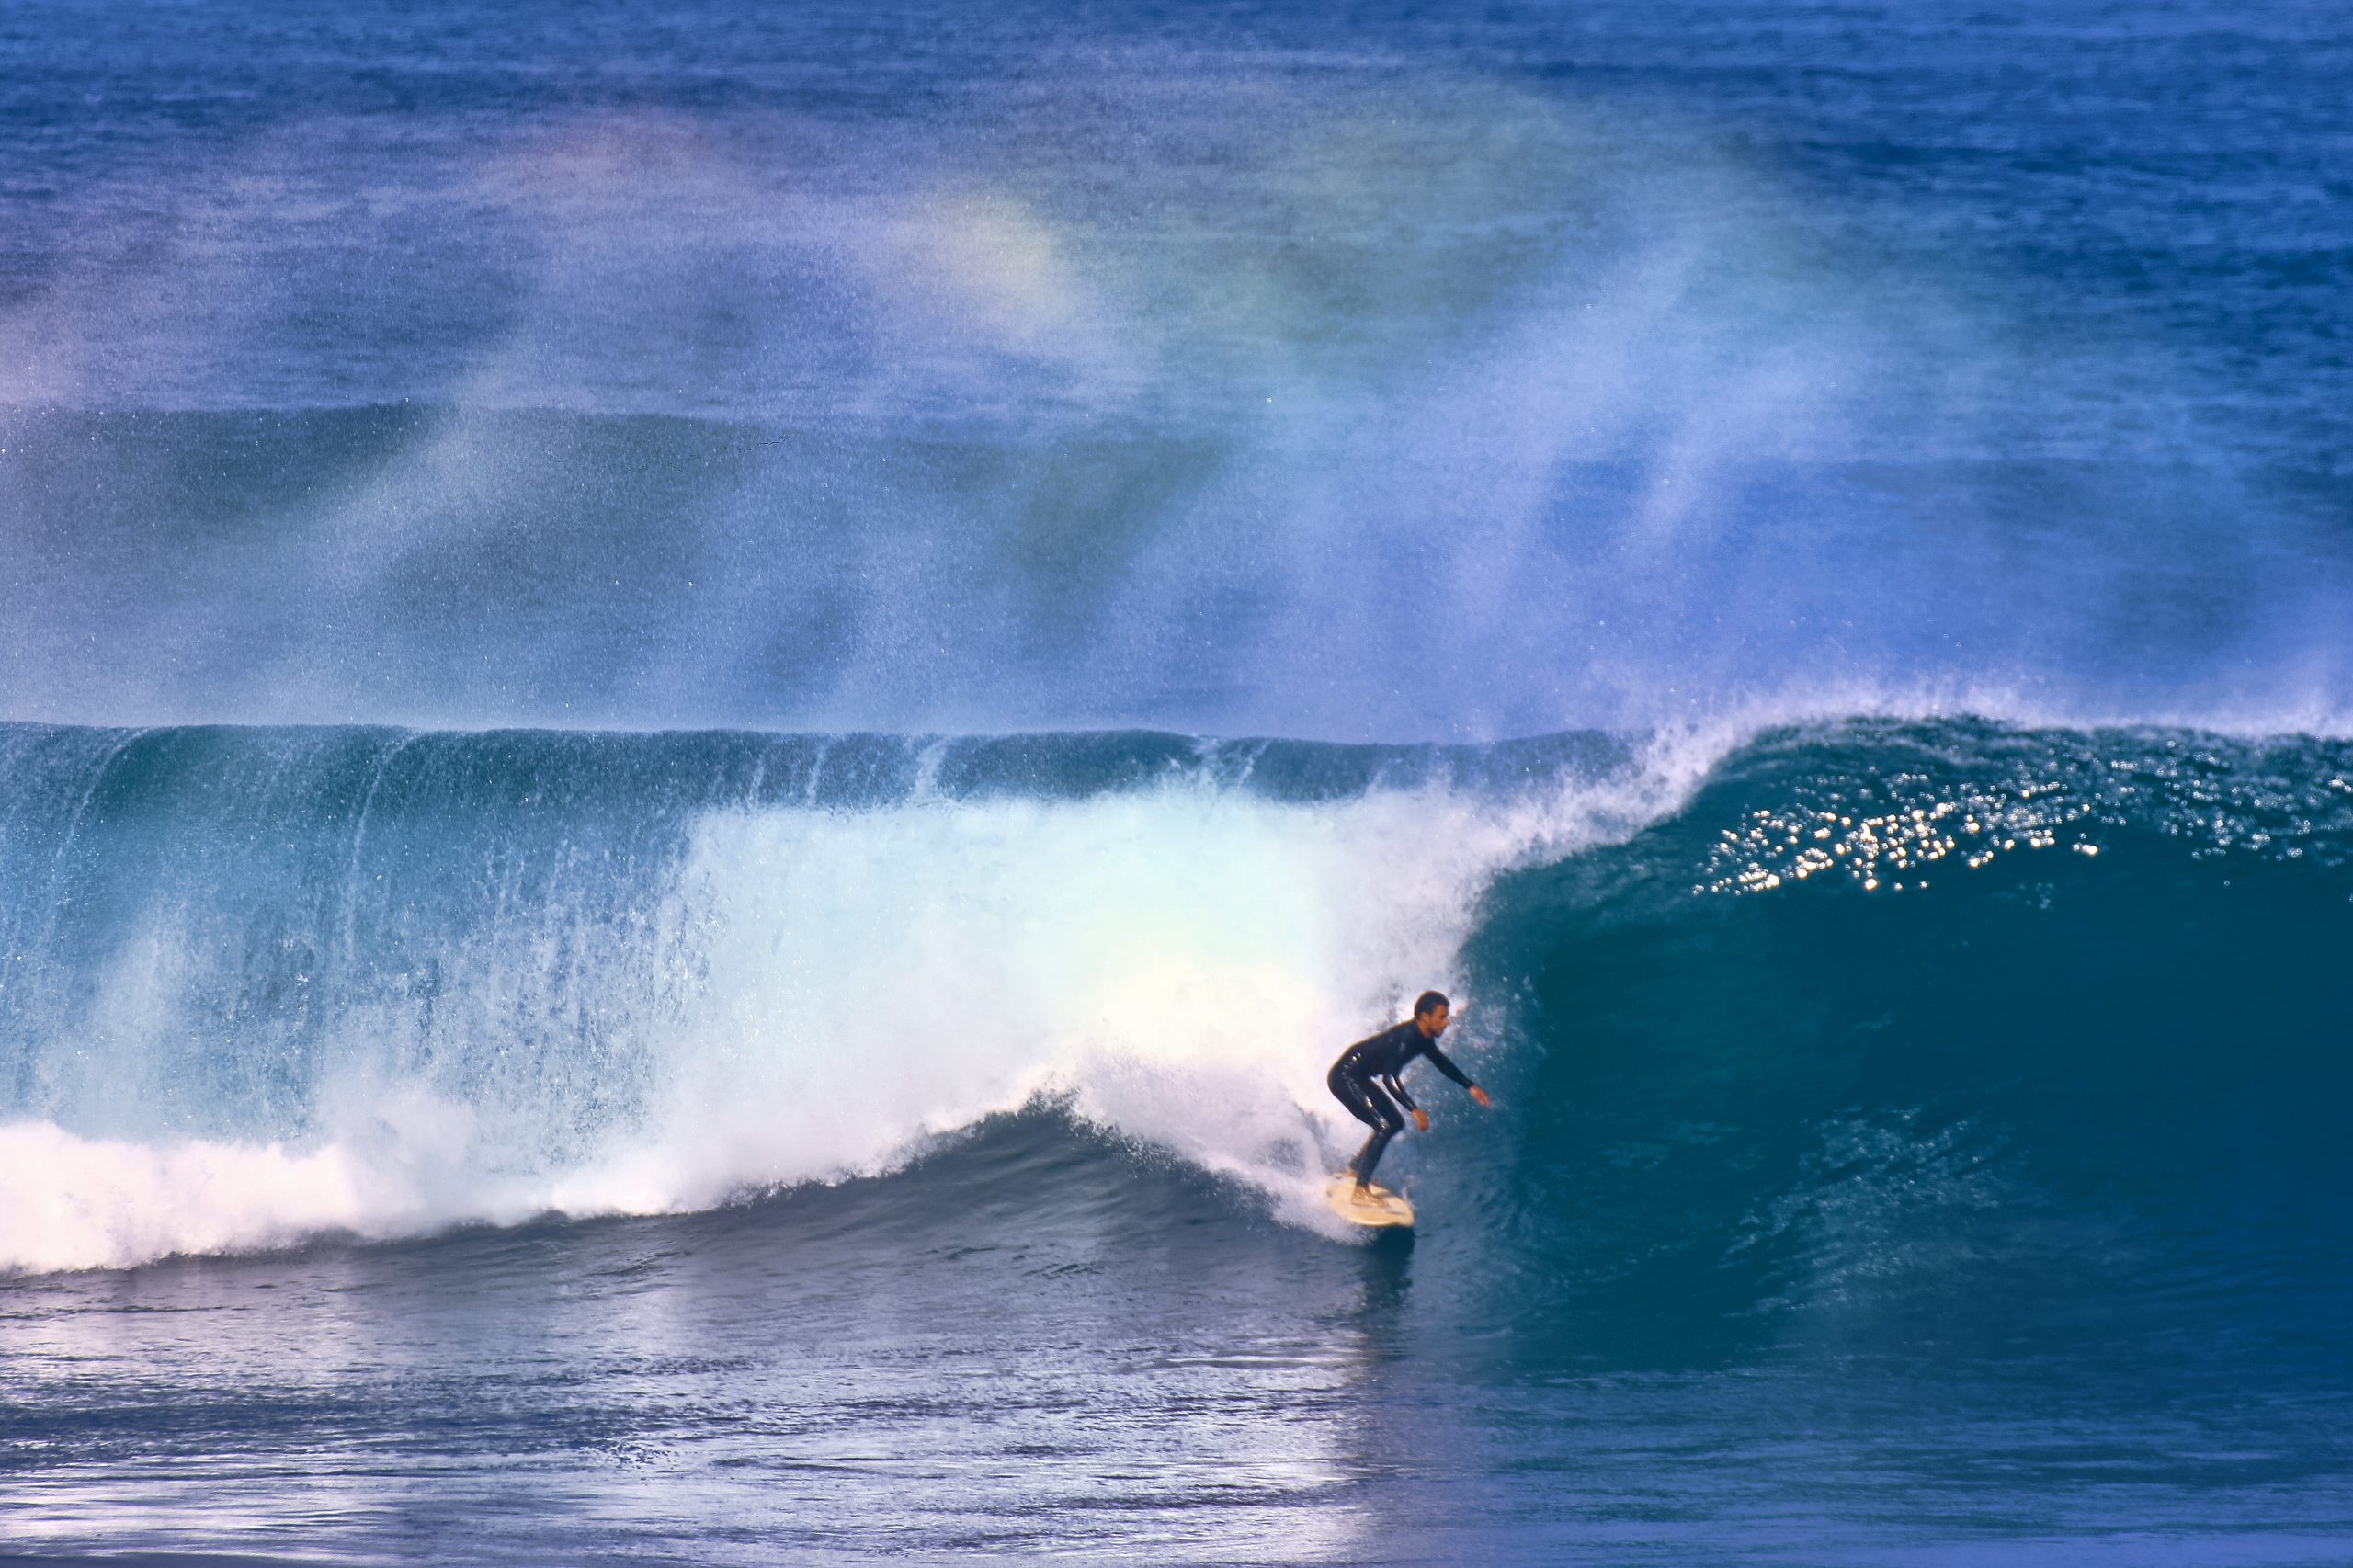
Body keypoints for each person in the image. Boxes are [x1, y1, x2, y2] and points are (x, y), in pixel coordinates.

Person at [1327, 991, 1492, 1194]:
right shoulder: (1407, 1039)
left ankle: (1355, 1170)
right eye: (1442, 1017)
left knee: (1394, 1123)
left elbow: (1440, 1062)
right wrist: (1413, 1109)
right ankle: (1360, 1190)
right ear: (1424, 1016)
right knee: (1384, 1126)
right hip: (1344, 1077)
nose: (1447, 1022)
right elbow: (1389, 1077)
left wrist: (1469, 1086)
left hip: (1358, 1077)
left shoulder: (1422, 1037)